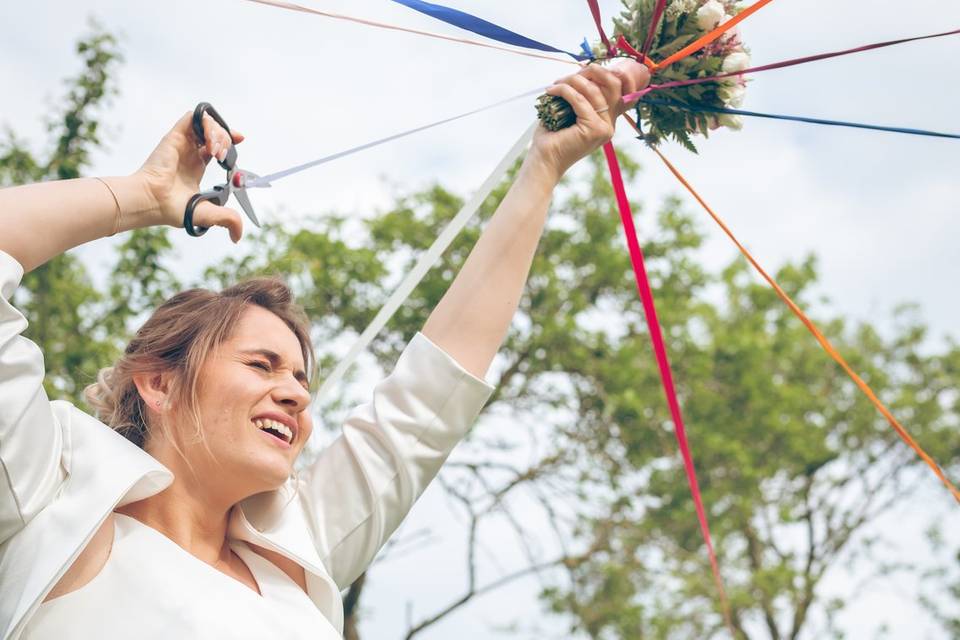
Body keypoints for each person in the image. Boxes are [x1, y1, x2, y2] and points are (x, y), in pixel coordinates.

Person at [0, 61, 650, 639]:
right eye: (261, 365)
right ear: (159, 384)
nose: (295, 393)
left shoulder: (295, 551)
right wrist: (137, 198)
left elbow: (430, 400)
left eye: (302, 379)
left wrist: (544, 167)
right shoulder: (52, 504)